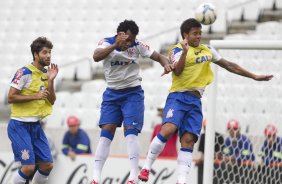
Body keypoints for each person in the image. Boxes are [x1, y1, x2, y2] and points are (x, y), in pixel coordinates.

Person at [138, 18, 273, 184]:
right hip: (178, 97)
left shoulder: (207, 50)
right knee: (168, 129)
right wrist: (186, 52)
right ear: (185, 35)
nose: (199, 36)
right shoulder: (177, 50)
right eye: (195, 33)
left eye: (200, 33)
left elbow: (230, 65)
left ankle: (181, 180)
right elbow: (178, 72)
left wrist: (254, 76)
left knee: (188, 140)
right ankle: (146, 167)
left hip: (195, 101)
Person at [90, 20, 173, 184]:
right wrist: (115, 46)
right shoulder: (106, 43)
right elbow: (96, 57)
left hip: (132, 93)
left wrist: (166, 64)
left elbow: (159, 56)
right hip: (112, 93)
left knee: (131, 132)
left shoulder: (137, 45)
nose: (129, 44)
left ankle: (133, 177)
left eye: (132, 40)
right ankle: (95, 177)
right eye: (127, 40)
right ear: (119, 35)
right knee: (106, 132)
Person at [7, 37, 58, 184]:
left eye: (50, 52)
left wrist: (51, 81)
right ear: (36, 54)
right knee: (28, 167)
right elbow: (10, 97)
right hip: (19, 125)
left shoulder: (46, 74)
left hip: (35, 126)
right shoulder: (23, 72)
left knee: (47, 165)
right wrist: (35, 96)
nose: (48, 55)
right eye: (44, 52)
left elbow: (51, 101)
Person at [222, 119, 255, 183]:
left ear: (238, 129)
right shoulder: (227, 141)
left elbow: (247, 155)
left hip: (246, 169)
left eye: (234, 129)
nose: (232, 131)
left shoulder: (245, 140)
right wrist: (226, 158)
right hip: (232, 168)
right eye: (230, 129)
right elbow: (226, 154)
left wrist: (233, 158)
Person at [194, 118, 224, 184]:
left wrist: (207, 157)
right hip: (206, 163)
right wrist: (200, 159)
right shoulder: (203, 136)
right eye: (205, 127)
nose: (206, 129)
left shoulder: (219, 136)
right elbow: (202, 153)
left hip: (216, 164)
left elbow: (221, 154)